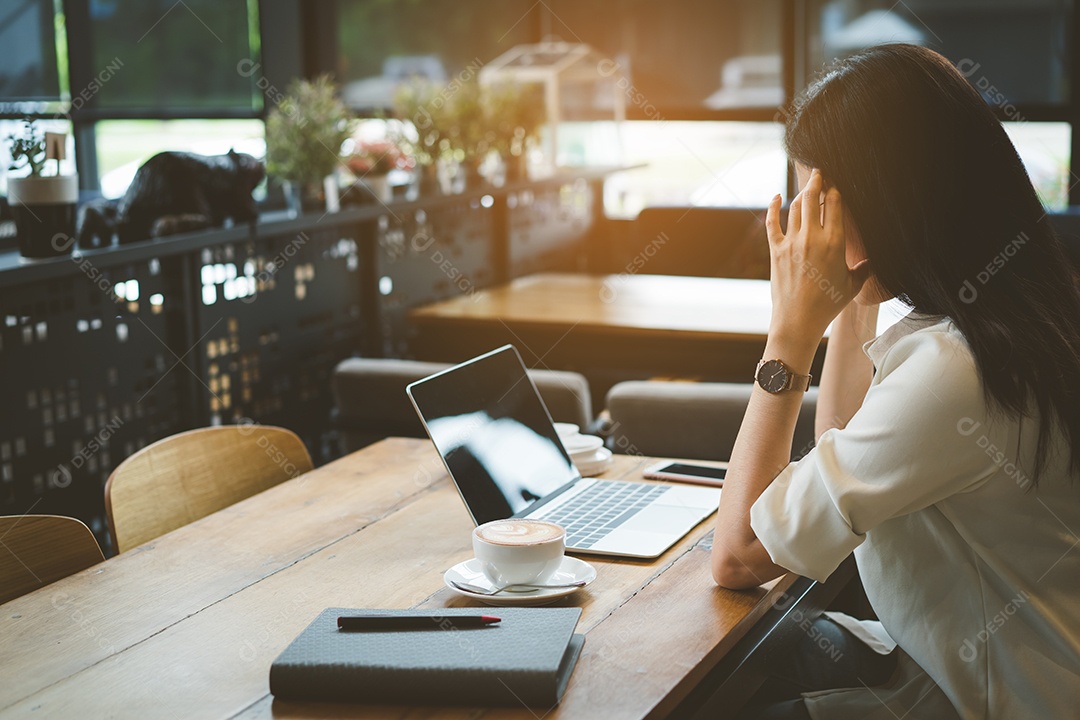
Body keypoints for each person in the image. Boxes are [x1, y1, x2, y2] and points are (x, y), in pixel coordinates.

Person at [710, 43, 1080, 719]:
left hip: (995, 701)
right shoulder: (1017, 321)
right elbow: (842, 442)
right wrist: (849, 295)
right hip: (965, 669)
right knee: (769, 653)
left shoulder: (953, 373)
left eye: (822, 203)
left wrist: (789, 338)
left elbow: (739, 555)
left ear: (887, 202)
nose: (808, 230)